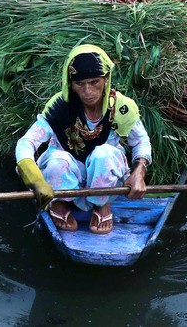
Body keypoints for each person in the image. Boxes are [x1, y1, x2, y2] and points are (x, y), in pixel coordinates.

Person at [14, 44, 151, 234]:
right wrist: (35, 179)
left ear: (106, 80)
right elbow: (26, 142)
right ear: (70, 84)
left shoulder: (121, 107)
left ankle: (101, 204)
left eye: (94, 82)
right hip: (67, 175)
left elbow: (141, 142)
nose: (87, 91)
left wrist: (139, 173)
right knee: (56, 161)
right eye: (80, 84)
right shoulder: (59, 106)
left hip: (104, 175)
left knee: (104, 154)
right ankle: (60, 203)